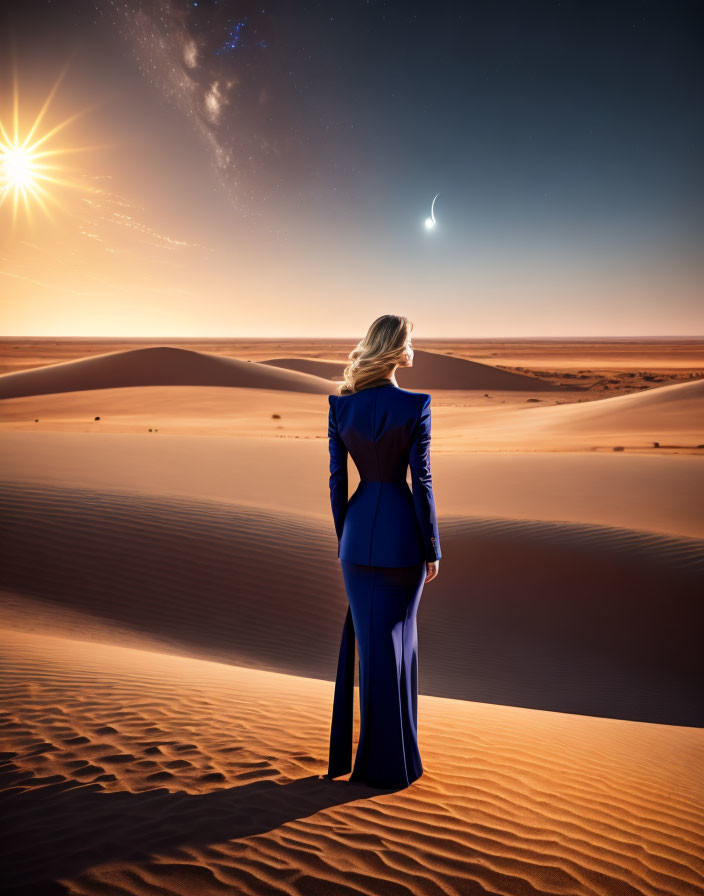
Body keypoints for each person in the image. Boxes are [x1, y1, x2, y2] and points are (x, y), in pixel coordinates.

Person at [323, 314, 441, 789]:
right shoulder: (417, 404)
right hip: (403, 538)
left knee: (373, 648)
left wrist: (345, 537)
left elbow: (337, 482)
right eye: (411, 340)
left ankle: (381, 759)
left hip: (356, 538)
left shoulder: (340, 407)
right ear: (397, 348)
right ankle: (398, 764)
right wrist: (432, 546)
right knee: (402, 642)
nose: (415, 347)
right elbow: (422, 483)